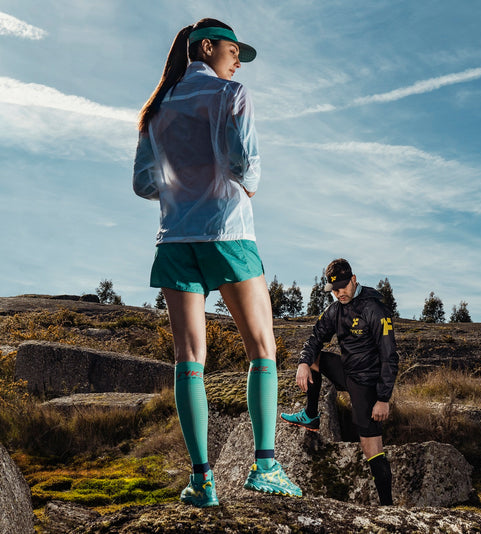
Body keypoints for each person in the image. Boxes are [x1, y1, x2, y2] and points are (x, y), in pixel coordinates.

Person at [133, 18, 301, 508]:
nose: (237, 60)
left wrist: (178, 182)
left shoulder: (156, 110)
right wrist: (246, 184)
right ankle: (265, 465)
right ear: (206, 47)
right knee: (263, 348)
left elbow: (144, 184)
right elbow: (244, 163)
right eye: (233, 50)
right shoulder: (232, 94)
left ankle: (202, 480)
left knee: (189, 360)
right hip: (227, 233)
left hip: (175, 239)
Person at [280, 258, 398, 505]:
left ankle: (388, 507)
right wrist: (303, 363)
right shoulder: (335, 309)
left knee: (371, 446)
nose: (339, 293)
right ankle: (311, 416)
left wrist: (383, 399)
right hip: (347, 369)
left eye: (343, 286)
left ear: (354, 280)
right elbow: (315, 337)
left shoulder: (374, 309)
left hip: (367, 382)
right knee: (313, 359)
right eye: (334, 289)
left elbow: (389, 356)